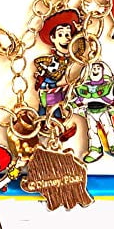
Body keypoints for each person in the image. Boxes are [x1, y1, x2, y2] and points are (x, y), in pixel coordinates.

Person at [33, 9, 81, 141]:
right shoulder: (51, 59)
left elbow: (80, 51)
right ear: (53, 38)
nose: (66, 39)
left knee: (58, 104)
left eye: (68, 34)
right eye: (61, 34)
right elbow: (37, 62)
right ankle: (44, 124)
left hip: (57, 86)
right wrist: (42, 72)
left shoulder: (70, 56)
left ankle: (56, 123)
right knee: (45, 105)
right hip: (47, 85)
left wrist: (80, 33)